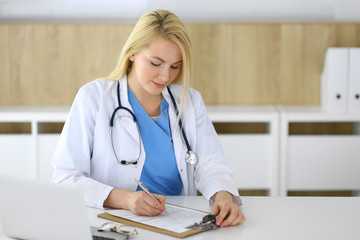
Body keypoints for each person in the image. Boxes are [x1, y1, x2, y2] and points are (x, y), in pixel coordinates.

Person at [52, 9, 245, 227]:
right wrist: (125, 199)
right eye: (156, 63)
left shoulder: (189, 101)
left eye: (175, 66)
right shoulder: (93, 98)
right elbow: (65, 177)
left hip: (178, 224)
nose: (165, 76)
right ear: (132, 53)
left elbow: (211, 163)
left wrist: (223, 197)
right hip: (114, 223)